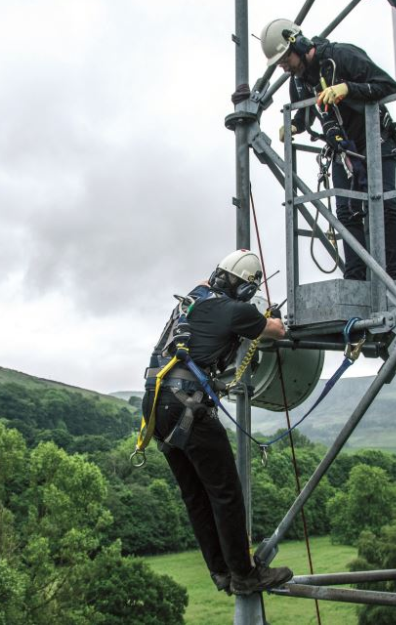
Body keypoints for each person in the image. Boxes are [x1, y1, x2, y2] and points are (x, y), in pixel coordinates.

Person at [143, 249, 292, 596]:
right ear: (244, 290)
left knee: (195, 495)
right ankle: (244, 574)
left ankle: (221, 571)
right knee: (225, 492)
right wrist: (269, 314)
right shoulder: (237, 311)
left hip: (156, 402)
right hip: (189, 403)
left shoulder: (192, 299)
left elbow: (203, 285)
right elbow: (277, 331)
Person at [260, 18, 396, 281]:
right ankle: (356, 276)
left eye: (285, 59)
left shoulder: (341, 56)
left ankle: (395, 273)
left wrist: (348, 88)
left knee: (384, 204)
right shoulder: (299, 80)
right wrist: (294, 126)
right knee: (346, 212)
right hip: (343, 149)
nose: (283, 67)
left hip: (376, 139)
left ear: (299, 44)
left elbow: (387, 86)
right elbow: (304, 114)